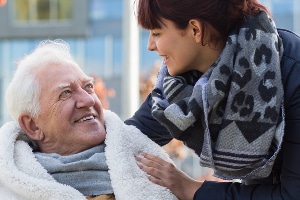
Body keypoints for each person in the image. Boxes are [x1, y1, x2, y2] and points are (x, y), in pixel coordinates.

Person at [125, 0, 300, 199]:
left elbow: (292, 195)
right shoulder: (181, 83)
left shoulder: (291, 70)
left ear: (195, 30)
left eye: (156, 33)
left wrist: (188, 188)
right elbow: (130, 135)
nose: (150, 45)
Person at [0, 40, 177, 200]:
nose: (89, 100)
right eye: (66, 93)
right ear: (33, 126)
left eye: (88, 87)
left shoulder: (151, 168)